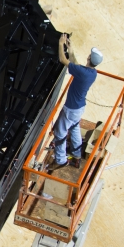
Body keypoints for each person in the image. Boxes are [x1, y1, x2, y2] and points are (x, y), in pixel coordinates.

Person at [50, 34, 103, 170]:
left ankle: (61, 160)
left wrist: (61, 44)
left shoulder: (83, 72)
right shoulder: (92, 73)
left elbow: (63, 59)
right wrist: (71, 49)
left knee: (60, 132)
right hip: (79, 108)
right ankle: (77, 154)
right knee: (74, 129)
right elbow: (76, 65)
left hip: (71, 108)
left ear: (89, 58)